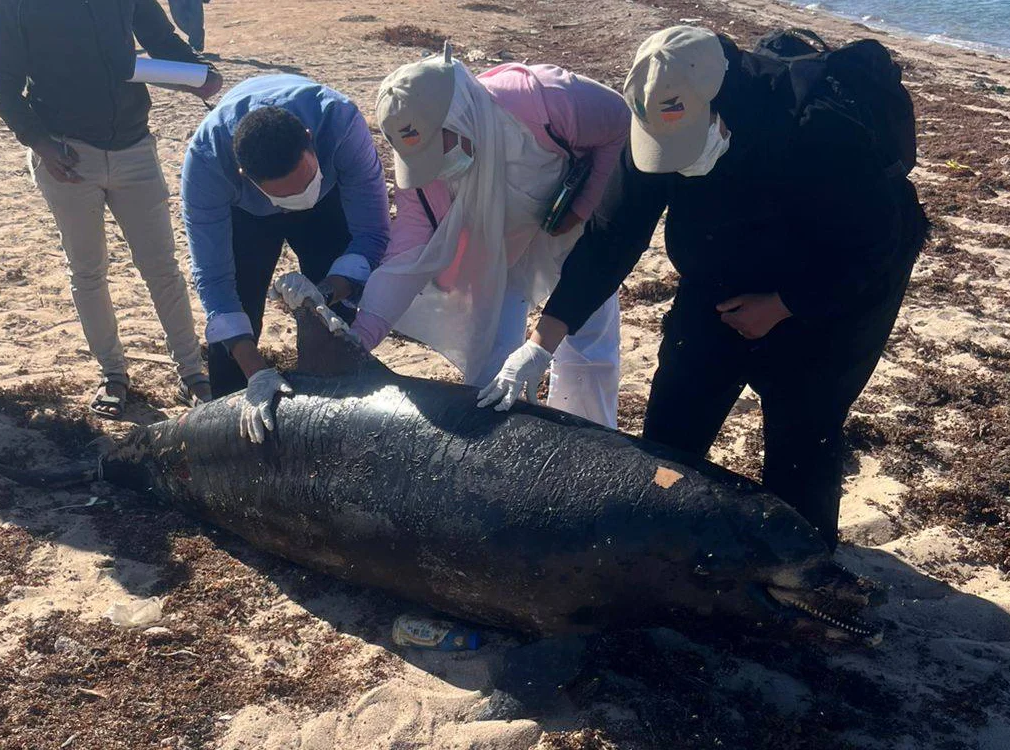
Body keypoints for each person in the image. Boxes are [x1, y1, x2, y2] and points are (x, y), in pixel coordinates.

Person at [526, 26, 928, 549]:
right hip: (718, 286)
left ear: (721, 103)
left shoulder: (820, 129)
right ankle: (659, 549)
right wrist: (542, 343)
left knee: (802, 446)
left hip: (831, 295)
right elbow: (612, 236)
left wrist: (785, 305)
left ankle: (802, 570)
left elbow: (876, 246)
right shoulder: (657, 113)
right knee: (670, 439)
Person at [276, 46, 630, 428]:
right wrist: (358, 338)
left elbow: (620, 125)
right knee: (491, 357)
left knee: (588, 339)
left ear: (459, 113)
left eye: (435, 150)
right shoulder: (421, 171)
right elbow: (405, 260)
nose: (433, 169)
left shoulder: (541, 100)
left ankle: (590, 434)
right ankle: (498, 449)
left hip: (571, 222)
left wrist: (582, 208)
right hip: (498, 244)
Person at [0, 0, 223, 419]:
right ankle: (113, 374)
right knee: (88, 271)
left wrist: (198, 71)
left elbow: (160, 38)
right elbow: (0, 82)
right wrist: (40, 143)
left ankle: (192, 373)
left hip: (135, 148)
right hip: (67, 155)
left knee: (162, 267)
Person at [182, 75, 390, 441]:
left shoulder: (340, 124)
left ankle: (334, 408)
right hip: (245, 215)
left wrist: (323, 293)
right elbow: (214, 281)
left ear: (310, 140)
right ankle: (232, 419)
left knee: (333, 316)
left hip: (329, 199)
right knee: (241, 304)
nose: (299, 197)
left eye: (304, 180)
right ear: (246, 176)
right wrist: (257, 373)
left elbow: (371, 234)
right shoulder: (206, 164)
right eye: (286, 194)